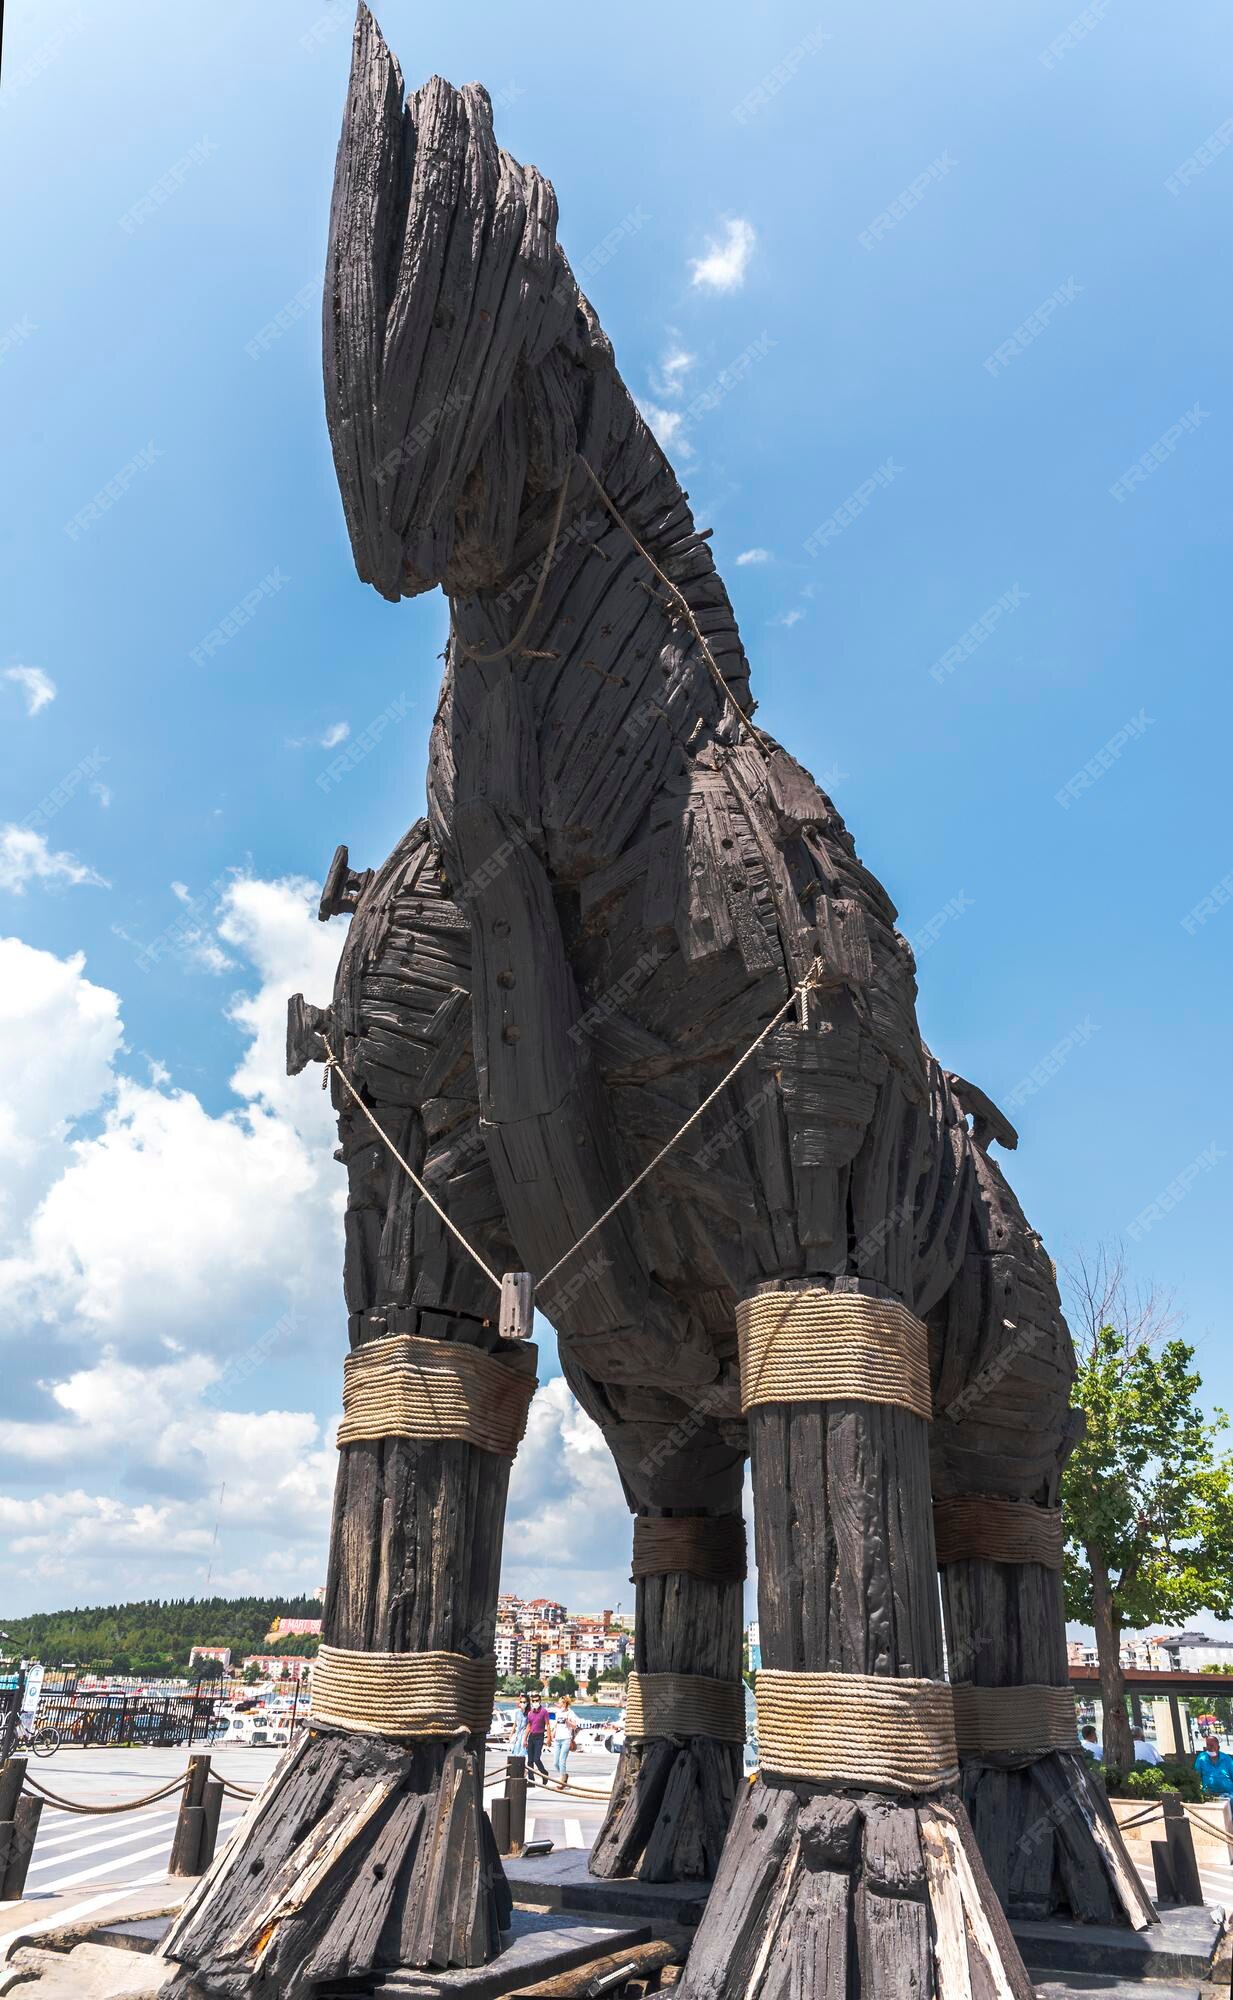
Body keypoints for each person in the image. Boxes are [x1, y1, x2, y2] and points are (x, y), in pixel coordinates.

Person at [1194, 1733, 1233, 1837]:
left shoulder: (1227, 1760)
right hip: (1208, 1793)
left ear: (1218, 1747)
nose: (1210, 1748)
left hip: (1228, 1794)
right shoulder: (1201, 1758)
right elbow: (1196, 1776)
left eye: (1212, 1745)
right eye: (1208, 1745)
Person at [551, 1694, 581, 1787]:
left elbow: (575, 1725)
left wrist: (568, 1722)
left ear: (564, 1703)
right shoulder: (558, 1713)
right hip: (557, 1739)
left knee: (562, 1761)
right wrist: (553, 1733)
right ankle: (564, 1775)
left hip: (566, 1739)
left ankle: (562, 1782)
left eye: (560, 1702)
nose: (558, 1704)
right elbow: (556, 1724)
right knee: (555, 1763)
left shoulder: (570, 1713)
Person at [524, 1696, 552, 1784]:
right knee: (530, 1760)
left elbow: (548, 1725)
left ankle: (544, 1773)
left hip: (539, 1737)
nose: (535, 1702)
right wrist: (525, 1739)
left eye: (536, 1700)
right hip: (531, 1736)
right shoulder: (530, 1713)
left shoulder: (544, 1712)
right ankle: (531, 1780)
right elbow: (529, 1726)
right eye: (533, 1701)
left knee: (536, 1759)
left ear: (540, 1701)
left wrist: (549, 1738)